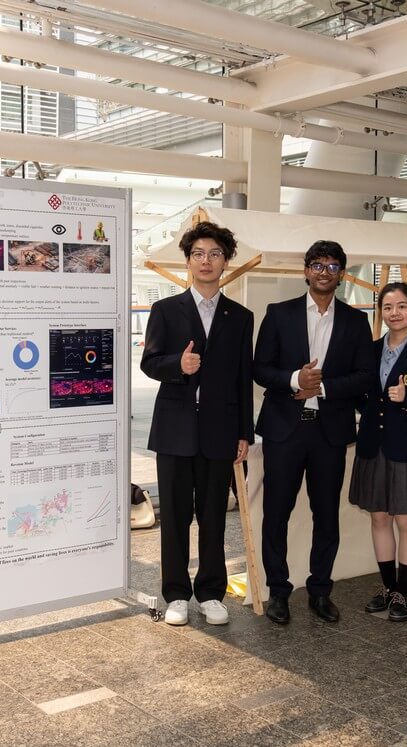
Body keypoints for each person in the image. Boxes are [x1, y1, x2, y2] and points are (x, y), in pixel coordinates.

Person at [253, 240, 374, 625]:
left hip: (329, 433)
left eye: (333, 266)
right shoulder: (279, 313)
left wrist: (320, 387)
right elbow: (260, 368)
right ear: (306, 271)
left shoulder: (356, 321)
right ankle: (278, 591)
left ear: (342, 274)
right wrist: (294, 379)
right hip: (284, 431)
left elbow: (365, 376)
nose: (324, 272)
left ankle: (320, 590)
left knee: (326, 515)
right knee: (276, 513)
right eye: (318, 265)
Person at [140, 220, 254, 627]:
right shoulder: (166, 310)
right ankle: (175, 593)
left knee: (213, 517)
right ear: (188, 261)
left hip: (220, 432)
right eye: (198, 254)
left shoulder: (240, 316)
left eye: (215, 254)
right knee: (173, 517)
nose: (207, 261)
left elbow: (243, 378)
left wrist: (244, 432)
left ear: (226, 261)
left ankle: (210, 593)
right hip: (174, 430)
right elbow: (150, 363)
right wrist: (179, 364)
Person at [350, 283, 407, 622]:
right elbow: (358, 390)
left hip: (406, 447)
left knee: (406, 520)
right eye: (388, 307)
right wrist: (367, 406)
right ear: (381, 312)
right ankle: (388, 587)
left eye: (402, 306)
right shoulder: (369, 350)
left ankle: (404, 591)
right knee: (379, 518)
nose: (394, 313)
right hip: (372, 445)